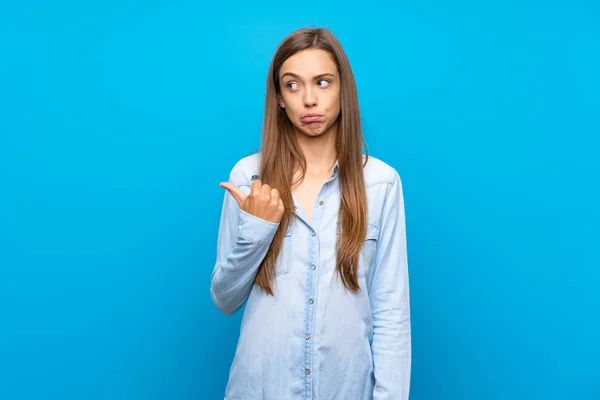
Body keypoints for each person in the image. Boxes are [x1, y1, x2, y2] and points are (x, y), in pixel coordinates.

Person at [210, 26, 411, 400]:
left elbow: (391, 312)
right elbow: (224, 299)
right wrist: (257, 228)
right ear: (279, 99)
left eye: (322, 82)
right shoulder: (248, 178)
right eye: (292, 85)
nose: (309, 99)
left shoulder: (381, 183)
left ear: (342, 90)